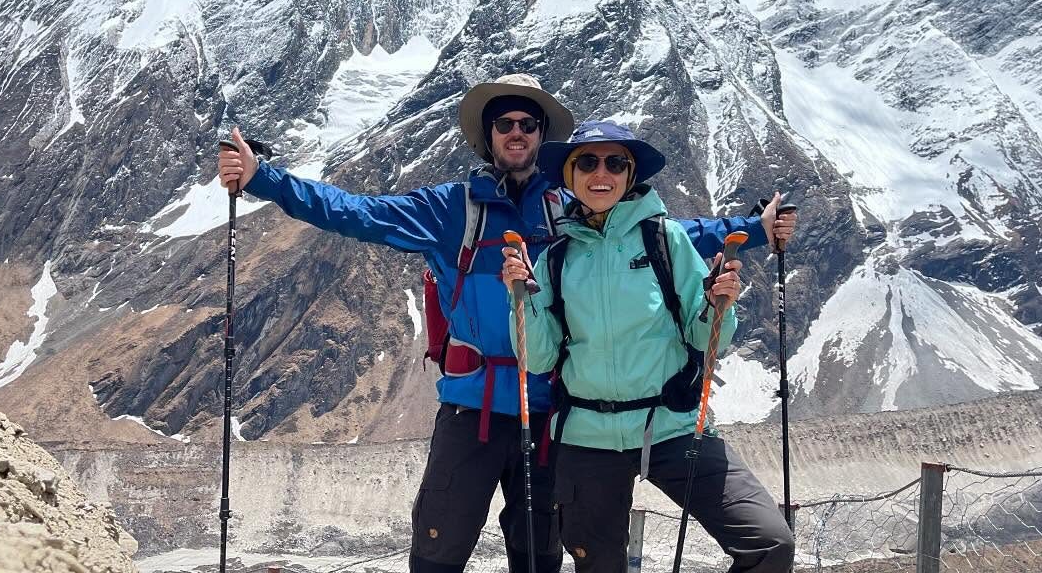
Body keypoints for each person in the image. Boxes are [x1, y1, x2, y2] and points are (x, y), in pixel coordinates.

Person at [218, 76, 778, 573]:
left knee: (538, 556)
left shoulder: (571, 206)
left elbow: (668, 235)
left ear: (540, 137)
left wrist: (754, 229)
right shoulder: (448, 209)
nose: (517, 133)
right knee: (438, 550)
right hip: (472, 411)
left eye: (528, 124)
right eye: (504, 124)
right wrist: (263, 179)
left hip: (553, 413)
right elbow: (353, 211)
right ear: (487, 137)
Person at [501, 120, 797, 573]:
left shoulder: (665, 239)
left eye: (616, 162)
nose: (603, 172)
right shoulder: (555, 258)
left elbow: (705, 338)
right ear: (570, 175)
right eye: (588, 162)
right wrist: (520, 298)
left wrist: (720, 305)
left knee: (768, 542)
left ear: (630, 173)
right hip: (585, 436)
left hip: (672, 427)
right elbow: (537, 358)